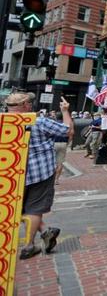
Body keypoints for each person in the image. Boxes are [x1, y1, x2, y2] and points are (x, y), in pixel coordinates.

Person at [6, 92, 73, 259]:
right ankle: (29, 245)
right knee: (34, 210)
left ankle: (45, 231)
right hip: (39, 173)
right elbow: (67, 130)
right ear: (25, 106)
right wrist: (65, 111)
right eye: (29, 102)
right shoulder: (38, 121)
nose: (31, 105)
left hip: (11, 173)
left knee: (16, 209)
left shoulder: (3, 122)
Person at [54, 112, 71, 185]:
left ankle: (52, 178)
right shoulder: (65, 125)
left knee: (52, 163)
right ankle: (56, 179)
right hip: (63, 143)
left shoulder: (53, 124)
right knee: (60, 163)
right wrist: (67, 143)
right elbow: (70, 134)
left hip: (54, 143)